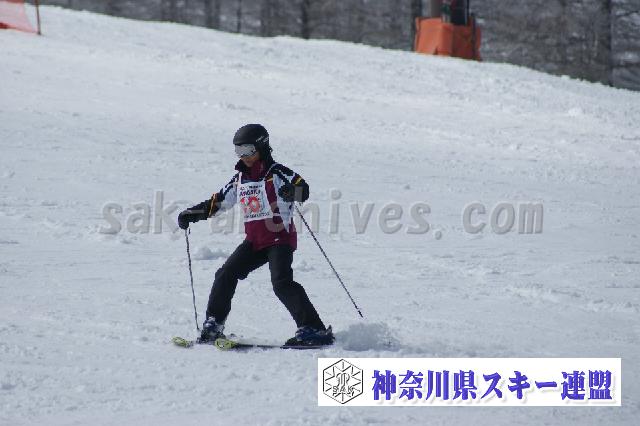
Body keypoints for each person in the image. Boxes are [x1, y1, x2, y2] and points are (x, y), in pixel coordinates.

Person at [177, 124, 334, 346]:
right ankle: (214, 324)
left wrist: (293, 192)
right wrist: (192, 214)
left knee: (281, 283)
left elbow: (303, 189)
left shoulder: (277, 172)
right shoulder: (239, 180)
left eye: (248, 150)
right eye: (239, 151)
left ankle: (314, 329)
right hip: (254, 242)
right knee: (225, 274)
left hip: (279, 239)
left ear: (262, 146)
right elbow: (218, 202)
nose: (244, 156)